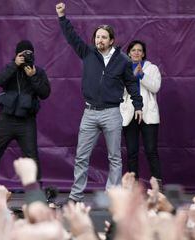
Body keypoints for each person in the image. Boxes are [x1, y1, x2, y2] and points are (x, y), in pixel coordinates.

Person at [55, 3, 143, 202]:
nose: (99, 39)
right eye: (97, 36)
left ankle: (113, 198)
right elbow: (71, 37)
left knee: (115, 158)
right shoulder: (87, 54)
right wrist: (62, 17)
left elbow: (131, 83)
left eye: (103, 37)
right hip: (90, 112)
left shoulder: (122, 60)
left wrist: (138, 105)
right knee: (81, 157)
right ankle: (75, 197)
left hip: (112, 112)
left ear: (111, 40)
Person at [0, 40, 51, 188]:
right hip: (6, 119)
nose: (26, 57)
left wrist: (33, 76)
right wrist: (15, 64)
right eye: (22, 54)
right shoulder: (10, 68)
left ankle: (36, 190)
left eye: (29, 54)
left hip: (26, 122)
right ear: (16, 55)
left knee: (31, 156)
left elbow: (45, 93)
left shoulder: (38, 71)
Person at [119, 40, 162, 183]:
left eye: (139, 50)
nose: (136, 53)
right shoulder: (123, 68)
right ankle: (133, 187)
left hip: (148, 115)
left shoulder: (152, 68)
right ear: (129, 53)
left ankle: (158, 186)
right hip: (129, 115)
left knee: (151, 151)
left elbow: (155, 87)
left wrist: (142, 75)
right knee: (131, 152)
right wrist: (131, 76)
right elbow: (119, 92)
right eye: (133, 50)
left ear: (143, 54)